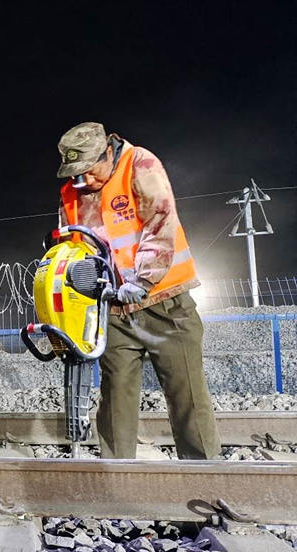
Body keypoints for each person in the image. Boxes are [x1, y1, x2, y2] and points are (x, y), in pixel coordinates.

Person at [56, 121, 220, 459]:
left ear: (106, 152)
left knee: (186, 394)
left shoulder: (139, 164)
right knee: (115, 397)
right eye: (76, 173)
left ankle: (205, 474)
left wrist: (142, 280)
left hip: (164, 303)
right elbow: (73, 251)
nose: (83, 179)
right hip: (113, 310)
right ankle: (118, 477)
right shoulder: (72, 193)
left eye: (88, 170)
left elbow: (160, 222)